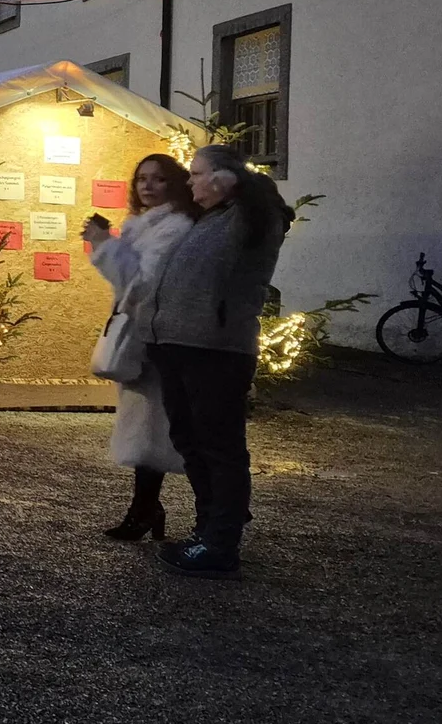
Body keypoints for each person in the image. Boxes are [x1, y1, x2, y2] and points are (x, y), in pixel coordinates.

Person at [139, 144, 291, 579]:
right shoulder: (212, 219)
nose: (189, 182)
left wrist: (245, 182)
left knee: (220, 447)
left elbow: (271, 203)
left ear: (224, 179)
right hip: (179, 346)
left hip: (217, 350)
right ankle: (210, 528)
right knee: (191, 441)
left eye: (196, 174)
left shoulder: (255, 216)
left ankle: (219, 545)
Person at [82, 154, 196, 543]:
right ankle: (146, 508)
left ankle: (155, 511)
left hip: (156, 337)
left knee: (160, 427)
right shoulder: (141, 226)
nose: (147, 186)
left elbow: (141, 284)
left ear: (175, 185)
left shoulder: (175, 227)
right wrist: (110, 245)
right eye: (142, 178)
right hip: (142, 336)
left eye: (159, 179)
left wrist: (103, 245)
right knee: (148, 427)